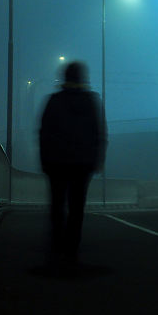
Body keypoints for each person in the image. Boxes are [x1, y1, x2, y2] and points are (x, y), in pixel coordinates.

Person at [39, 61, 107, 263]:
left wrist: (44, 161)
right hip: (82, 164)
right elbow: (99, 133)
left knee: (57, 204)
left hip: (56, 163)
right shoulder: (91, 101)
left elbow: (44, 133)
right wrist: (98, 160)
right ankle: (72, 247)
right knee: (77, 207)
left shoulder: (54, 101)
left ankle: (56, 244)